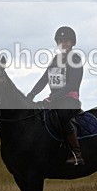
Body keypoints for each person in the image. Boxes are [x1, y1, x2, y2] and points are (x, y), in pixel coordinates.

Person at [26, 26, 85, 166]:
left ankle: (77, 153)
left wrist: (52, 98)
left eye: (67, 41)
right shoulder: (55, 59)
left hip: (70, 99)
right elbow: (43, 79)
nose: (63, 44)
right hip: (55, 99)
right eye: (61, 41)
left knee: (62, 116)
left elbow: (72, 84)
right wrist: (31, 95)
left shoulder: (75, 59)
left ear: (72, 43)